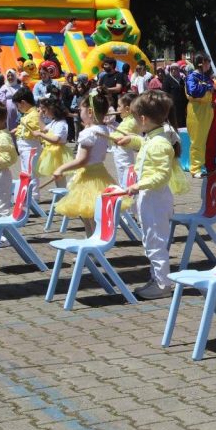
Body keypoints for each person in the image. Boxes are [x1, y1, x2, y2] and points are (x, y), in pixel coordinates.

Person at [124, 91, 181, 300]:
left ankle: (163, 283)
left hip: (154, 198)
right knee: (150, 240)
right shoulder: (154, 137)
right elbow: (144, 144)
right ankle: (156, 278)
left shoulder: (160, 143)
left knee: (155, 242)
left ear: (143, 119)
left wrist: (138, 185)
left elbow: (161, 175)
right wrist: (130, 140)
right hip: (150, 197)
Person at [53, 93, 119, 235]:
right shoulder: (103, 129)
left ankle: (94, 248)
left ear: (90, 112)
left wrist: (61, 168)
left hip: (89, 177)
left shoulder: (88, 133)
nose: (79, 113)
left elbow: (82, 160)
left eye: (81, 110)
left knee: (89, 217)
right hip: (100, 174)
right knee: (91, 216)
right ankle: (92, 247)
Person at [185, 54, 216, 178]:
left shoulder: (206, 77)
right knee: (198, 140)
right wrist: (208, 87)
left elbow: (214, 92)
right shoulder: (192, 77)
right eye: (207, 62)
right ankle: (195, 168)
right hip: (197, 112)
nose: (208, 65)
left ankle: (211, 165)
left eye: (209, 62)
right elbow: (193, 92)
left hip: (210, 111)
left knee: (211, 140)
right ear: (200, 63)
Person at [33, 96, 74, 190]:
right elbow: (44, 129)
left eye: (44, 111)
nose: (44, 113)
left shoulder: (61, 123)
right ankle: (61, 196)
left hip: (58, 153)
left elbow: (56, 140)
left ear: (52, 109)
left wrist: (40, 134)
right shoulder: (54, 122)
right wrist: (39, 118)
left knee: (60, 178)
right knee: (57, 178)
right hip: (53, 153)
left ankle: (63, 196)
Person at [108, 92, 139, 188]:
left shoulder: (130, 122)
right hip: (121, 154)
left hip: (124, 156)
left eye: (118, 106)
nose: (117, 109)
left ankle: (129, 199)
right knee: (123, 178)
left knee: (125, 179)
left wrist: (104, 133)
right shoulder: (127, 120)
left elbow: (119, 138)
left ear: (127, 109)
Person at [11, 87, 42, 175]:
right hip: (24, 150)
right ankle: (28, 189)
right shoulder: (27, 114)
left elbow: (39, 131)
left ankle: (32, 189)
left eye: (17, 105)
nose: (17, 108)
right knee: (26, 173)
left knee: (31, 175)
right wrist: (18, 129)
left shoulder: (34, 115)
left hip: (30, 149)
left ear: (23, 103)